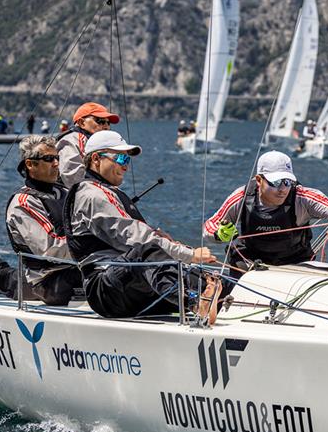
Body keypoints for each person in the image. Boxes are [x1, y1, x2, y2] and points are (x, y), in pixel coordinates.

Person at [64, 130, 221, 321]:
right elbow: (138, 239)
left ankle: (214, 302)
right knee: (146, 251)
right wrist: (190, 254)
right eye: (121, 159)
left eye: (127, 160)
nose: (125, 167)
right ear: (96, 159)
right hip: (105, 290)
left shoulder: (106, 192)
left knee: (211, 280)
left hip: (128, 285)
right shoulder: (92, 195)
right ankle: (195, 303)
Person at [0, 135, 82, 305]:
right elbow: (50, 249)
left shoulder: (66, 194)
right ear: (30, 164)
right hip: (44, 279)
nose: (57, 164)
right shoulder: (22, 203)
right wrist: (91, 247)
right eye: (49, 159)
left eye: (57, 158)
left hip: (73, 267)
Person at [203, 150, 328, 271]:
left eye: (287, 181)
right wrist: (219, 234)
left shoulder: (302, 197)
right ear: (259, 180)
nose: (283, 189)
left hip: (295, 262)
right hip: (250, 261)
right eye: (276, 182)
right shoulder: (241, 197)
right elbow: (210, 226)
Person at [56, 102, 118, 188]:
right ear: (82, 122)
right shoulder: (72, 140)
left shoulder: (96, 143)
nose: (106, 127)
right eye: (101, 121)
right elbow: (72, 178)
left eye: (108, 123)